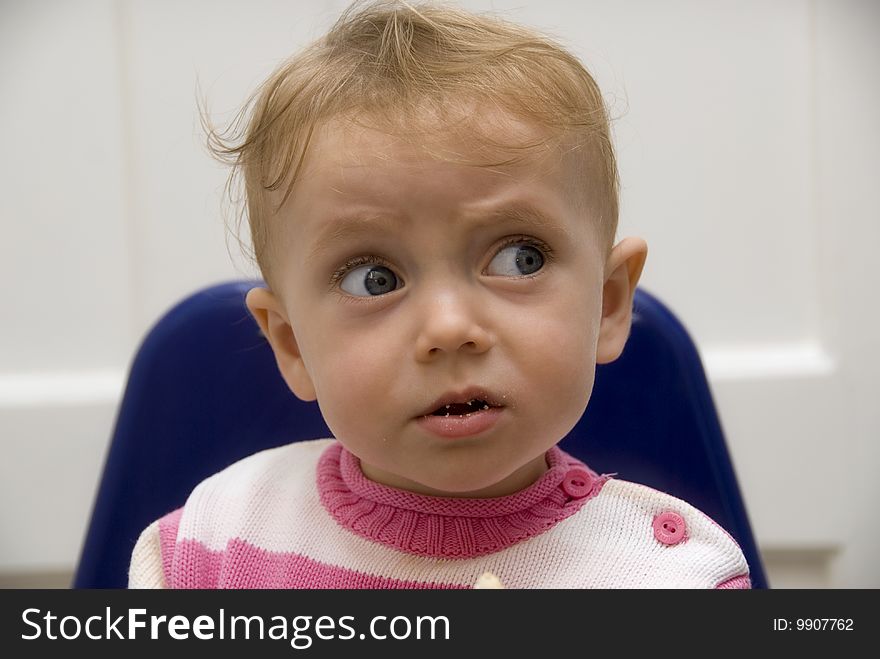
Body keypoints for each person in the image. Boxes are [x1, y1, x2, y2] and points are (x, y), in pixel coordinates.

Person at [128, 0, 751, 589]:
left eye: (518, 258)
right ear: (292, 344)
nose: (450, 328)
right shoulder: (214, 547)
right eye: (373, 279)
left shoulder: (668, 578)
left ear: (608, 304)